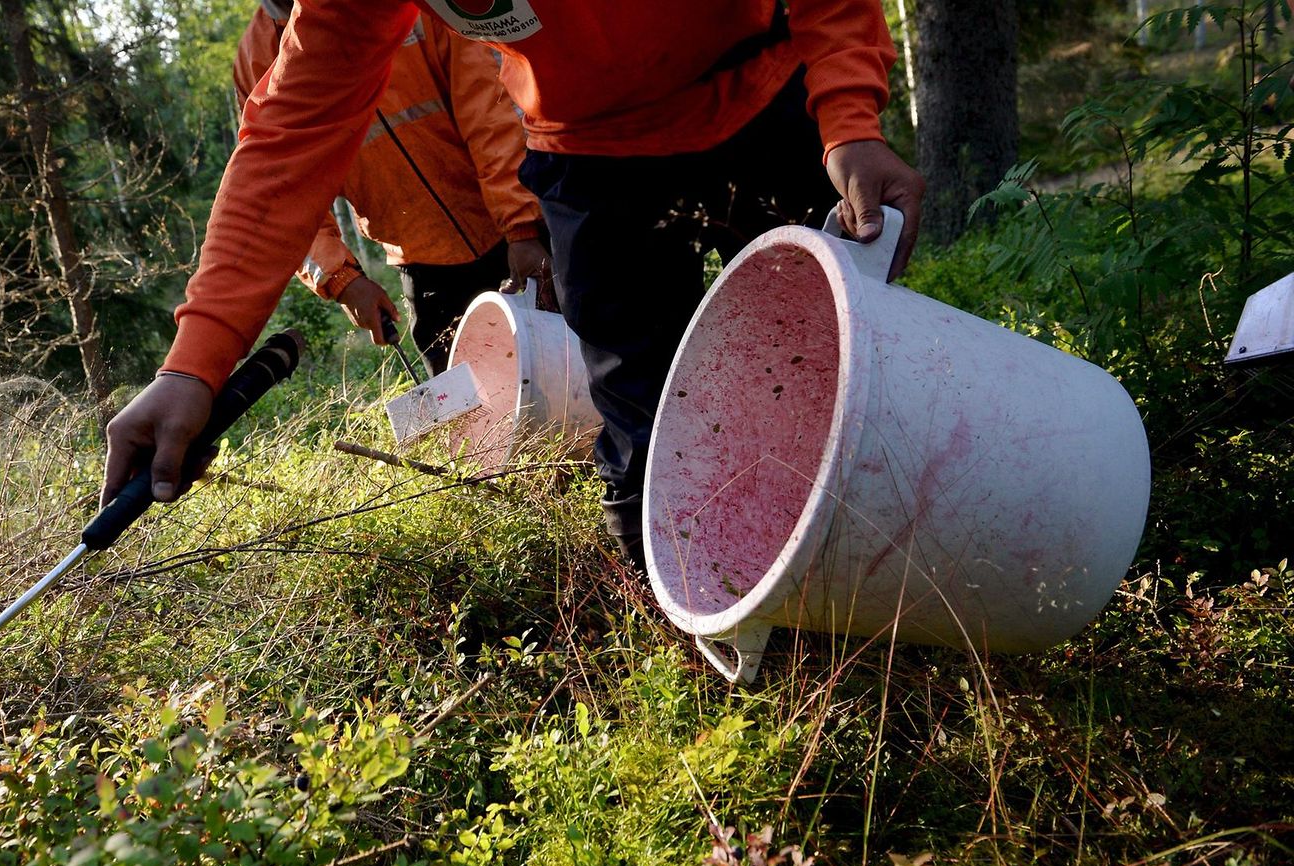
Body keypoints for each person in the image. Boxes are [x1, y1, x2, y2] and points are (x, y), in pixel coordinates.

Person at [103, 0, 925, 572]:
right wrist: (193, 366)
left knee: (847, 380)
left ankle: (911, 578)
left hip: (759, 95)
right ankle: (745, 669)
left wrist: (849, 117)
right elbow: (287, 142)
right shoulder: (324, 19)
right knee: (646, 467)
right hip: (589, 157)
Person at [237, 0, 550, 374]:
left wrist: (522, 227)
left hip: (514, 237)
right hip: (423, 264)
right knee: (470, 410)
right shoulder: (257, 59)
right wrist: (341, 278)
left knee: (572, 369)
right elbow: (282, 193)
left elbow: (487, 111)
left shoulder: (414, 7)